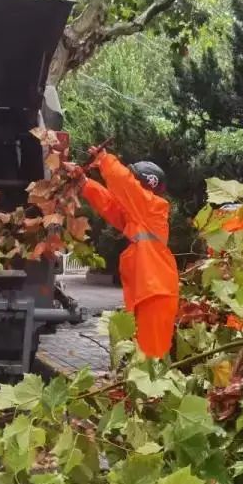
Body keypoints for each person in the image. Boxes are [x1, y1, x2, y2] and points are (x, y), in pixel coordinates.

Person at [67, 149, 180, 359]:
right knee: (142, 356)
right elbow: (111, 206)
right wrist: (85, 184)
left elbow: (124, 184)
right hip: (149, 293)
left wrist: (104, 159)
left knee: (151, 359)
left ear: (143, 187)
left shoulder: (153, 207)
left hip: (156, 294)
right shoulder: (138, 217)